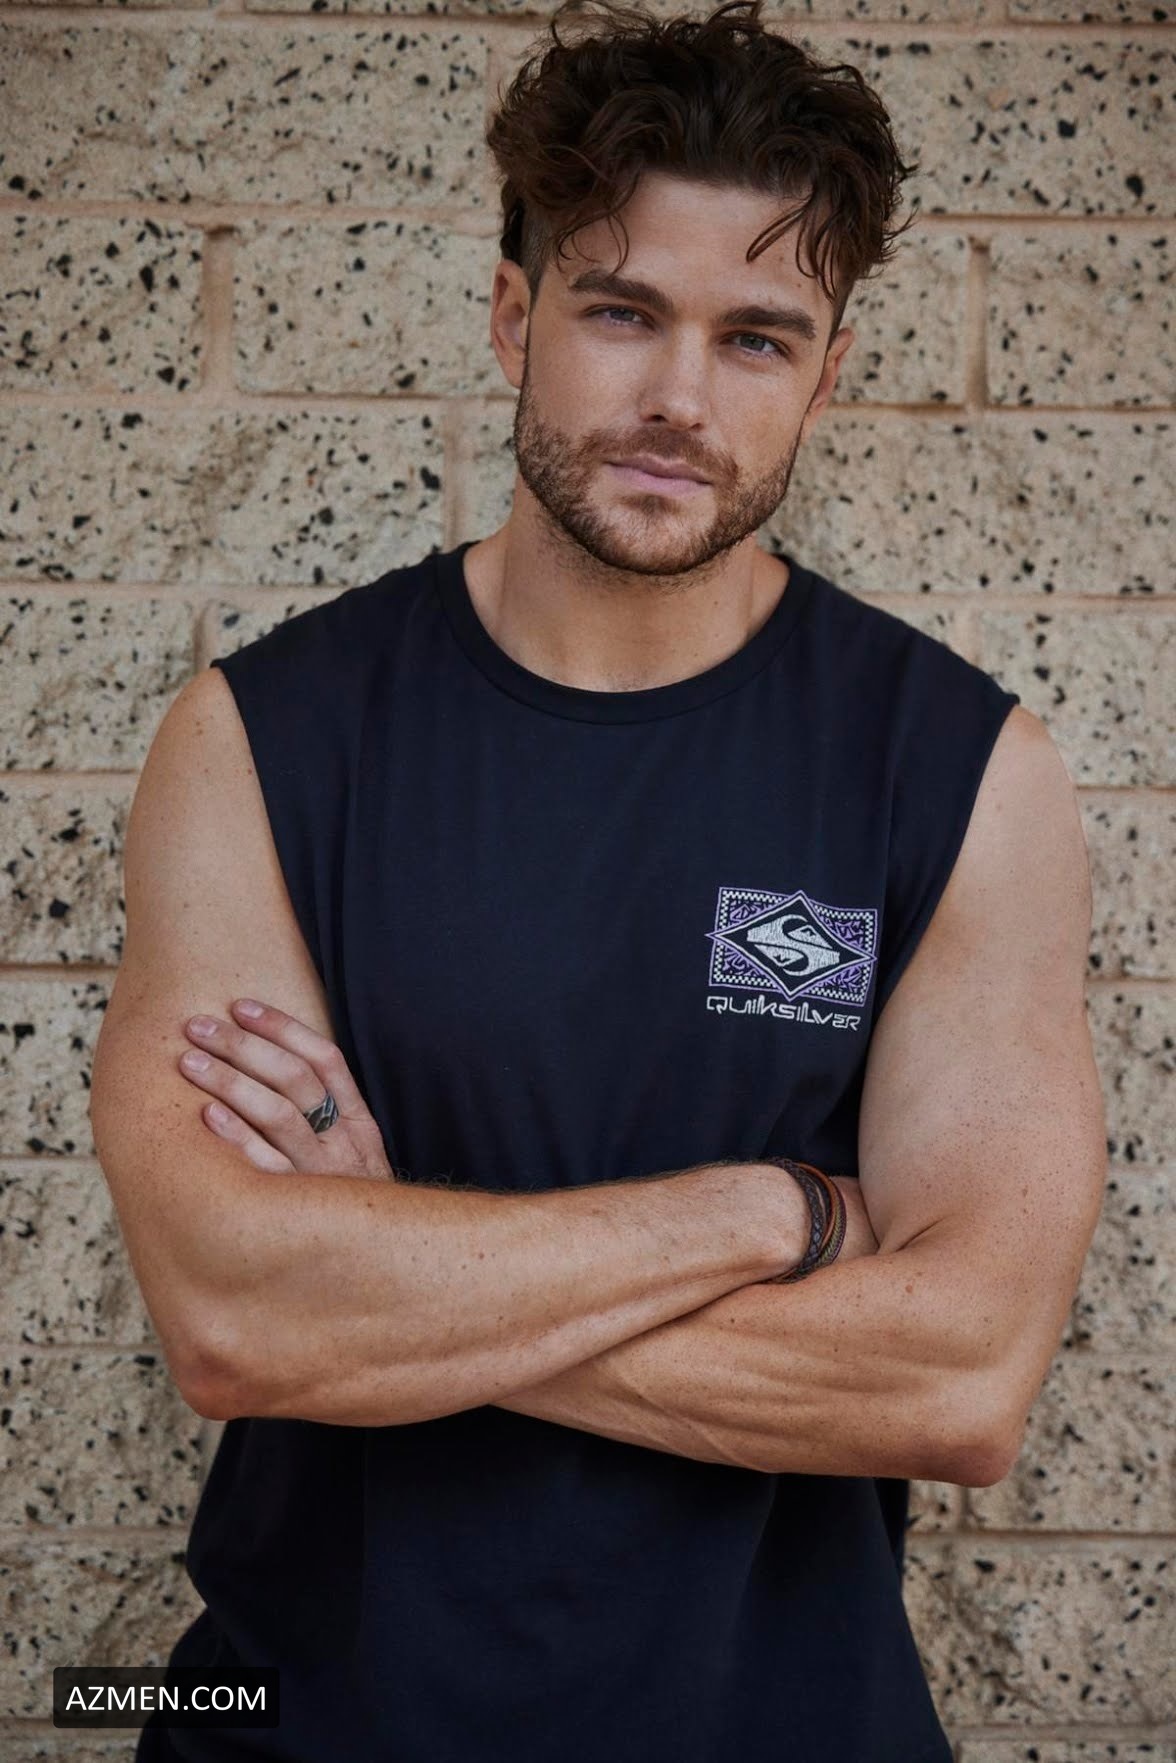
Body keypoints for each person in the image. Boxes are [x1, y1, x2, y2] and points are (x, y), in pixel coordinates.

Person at [88, 2, 1107, 1758]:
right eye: (622, 312)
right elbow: (238, 1320)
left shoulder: (962, 775)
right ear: (515, 317)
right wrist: (766, 1217)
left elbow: (960, 1380)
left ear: (828, 376)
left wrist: (391, 1281)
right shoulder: (261, 739)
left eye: (757, 338)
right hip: (302, 1721)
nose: (680, 402)